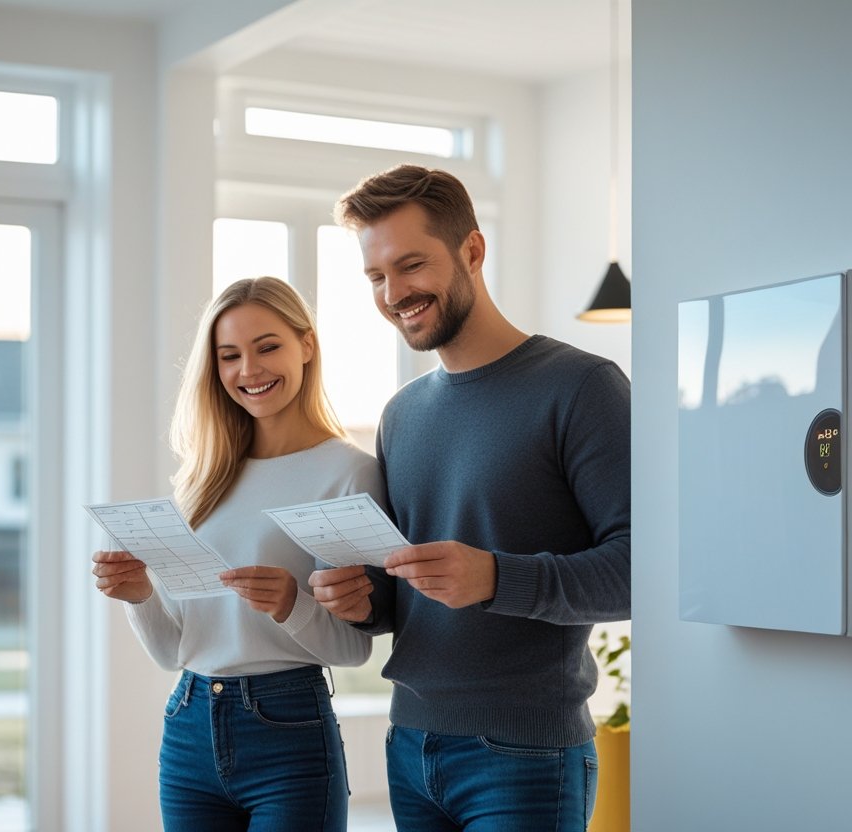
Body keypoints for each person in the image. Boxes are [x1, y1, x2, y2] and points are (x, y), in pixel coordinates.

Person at [309, 165, 631, 832]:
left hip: (527, 754)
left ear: (473, 251)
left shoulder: (582, 388)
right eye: (376, 277)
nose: (394, 293)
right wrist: (363, 601)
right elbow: (410, 594)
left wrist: (495, 577)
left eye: (411, 265)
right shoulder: (401, 414)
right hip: (410, 744)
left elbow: (641, 571)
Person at [91, 277, 385, 832]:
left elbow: (353, 650)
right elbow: (173, 653)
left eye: (267, 347)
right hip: (188, 727)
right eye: (229, 356)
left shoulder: (350, 473)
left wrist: (291, 604)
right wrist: (140, 596)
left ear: (306, 344)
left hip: (289, 734)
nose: (249, 370)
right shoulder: (202, 479)